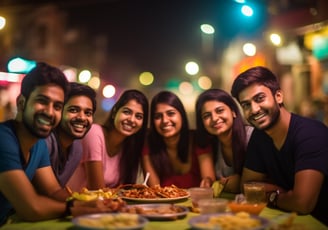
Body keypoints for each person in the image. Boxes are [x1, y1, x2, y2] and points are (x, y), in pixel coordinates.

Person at [0, 62, 112, 226]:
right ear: (21, 102)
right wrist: (75, 208)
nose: (50, 112)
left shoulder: (37, 144)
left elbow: (52, 190)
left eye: (57, 106)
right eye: (42, 101)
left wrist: (93, 204)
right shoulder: (3, 139)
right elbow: (31, 208)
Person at [231, 66, 328, 225]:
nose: (254, 109)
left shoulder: (311, 134)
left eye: (260, 98)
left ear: (278, 96)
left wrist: (273, 196)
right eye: (246, 105)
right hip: (287, 222)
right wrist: (285, 195)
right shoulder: (260, 135)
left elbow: (302, 203)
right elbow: (247, 188)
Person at [67, 89, 149, 191]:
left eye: (138, 116)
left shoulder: (128, 148)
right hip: (76, 203)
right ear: (114, 112)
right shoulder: (94, 133)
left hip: (106, 205)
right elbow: (97, 190)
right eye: (127, 112)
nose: (132, 120)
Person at [142, 90, 215, 188]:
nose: (165, 120)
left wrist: (207, 181)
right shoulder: (148, 145)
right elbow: (154, 189)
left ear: (182, 115)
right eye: (158, 116)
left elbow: (208, 181)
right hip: (163, 202)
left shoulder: (198, 139)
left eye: (171, 113)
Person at [195, 88, 253, 193]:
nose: (214, 118)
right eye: (207, 116)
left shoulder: (251, 137)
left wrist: (241, 182)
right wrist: (208, 181)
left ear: (233, 112)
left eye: (220, 110)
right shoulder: (212, 144)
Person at [45, 82, 97, 187]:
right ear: (58, 111)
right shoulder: (45, 142)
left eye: (88, 113)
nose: (82, 118)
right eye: (73, 110)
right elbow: (50, 192)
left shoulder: (77, 148)